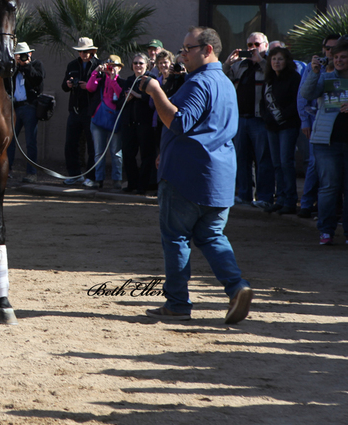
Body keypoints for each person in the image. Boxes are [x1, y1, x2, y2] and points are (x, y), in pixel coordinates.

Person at [140, 26, 252, 324]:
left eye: (188, 48)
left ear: (208, 50)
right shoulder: (226, 83)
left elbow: (179, 122)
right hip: (219, 177)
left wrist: (154, 90)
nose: (182, 54)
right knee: (211, 235)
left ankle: (177, 303)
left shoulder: (200, 83)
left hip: (186, 176)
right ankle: (236, 286)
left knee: (176, 238)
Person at [299, 36, 348, 246]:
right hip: (325, 143)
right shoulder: (325, 75)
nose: (338, 60)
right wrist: (315, 72)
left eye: (344, 57)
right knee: (328, 187)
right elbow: (307, 93)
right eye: (336, 56)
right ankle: (326, 231)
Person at [223, 31, 275, 210]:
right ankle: (244, 195)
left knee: (263, 160)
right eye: (250, 45)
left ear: (265, 46)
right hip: (240, 119)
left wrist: (259, 60)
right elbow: (224, 81)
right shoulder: (240, 66)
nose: (253, 48)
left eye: (257, 45)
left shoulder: (270, 63)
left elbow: (274, 77)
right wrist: (228, 63)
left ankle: (265, 197)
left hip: (260, 119)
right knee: (241, 159)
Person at [297, 34, 340, 219]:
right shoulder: (316, 69)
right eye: (328, 49)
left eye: (336, 50)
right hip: (319, 127)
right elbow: (304, 94)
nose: (331, 53)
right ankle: (309, 207)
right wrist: (305, 121)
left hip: (339, 131)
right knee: (317, 167)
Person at [260, 45, 301, 215]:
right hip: (271, 127)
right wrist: (267, 117)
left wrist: (282, 116)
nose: (276, 62)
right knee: (276, 164)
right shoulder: (269, 79)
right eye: (274, 59)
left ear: (287, 61)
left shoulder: (294, 78)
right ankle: (281, 199)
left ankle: (291, 201)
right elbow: (263, 103)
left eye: (280, 59)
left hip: (288, 126)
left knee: (286, 162)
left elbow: (297, 102)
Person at [61, 37, 100, 185]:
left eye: (87, 52)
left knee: (92, 144)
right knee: (70, 143)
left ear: (92, 51)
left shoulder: (98, 65)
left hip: (90, 111)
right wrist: (69, 84)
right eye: (81, 52)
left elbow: (101, 87)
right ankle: (74, 174)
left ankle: (91, 177)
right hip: (75, 110)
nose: (84, 54)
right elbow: (64, 87)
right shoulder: (72, 65)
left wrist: (88, 87)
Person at [6, 42, 44, 183]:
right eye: (18, 56)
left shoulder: (36, 65)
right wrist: (16, 66)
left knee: (30, 142)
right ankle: (7, 169)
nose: (21, 58)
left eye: (24, 55)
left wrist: (27, 65)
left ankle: (31, 173)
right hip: (15, 108)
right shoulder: (13, 69)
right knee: (9, 141)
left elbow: (38, 80)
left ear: (30, 54)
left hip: (30, 107)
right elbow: (6, 83)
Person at [87, 54, 124, 191]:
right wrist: (96, 71)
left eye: (114, 66)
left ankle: (117, 180)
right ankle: (98, 179)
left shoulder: (121, 81)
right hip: (98, 119)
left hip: (114, 121)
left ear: (119, 68)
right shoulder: (101, 79)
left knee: (116, 152)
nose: (111, 69)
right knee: (98, 152)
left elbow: (120, 94)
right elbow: (90, 88)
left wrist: (113, 79)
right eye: (109, 66)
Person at [120, 53, 156, 194]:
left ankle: (143, 186)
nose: (138, 66)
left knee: (146, 156)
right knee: (128, 154)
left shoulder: (150, 80)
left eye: (141, 63)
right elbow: (121, 102)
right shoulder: (129, 81)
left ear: (146, 65)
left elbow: (152, 99)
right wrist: (127, 99)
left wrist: (137, 96)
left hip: (145, 124)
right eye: (135, 63)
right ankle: (132, 184)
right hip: (129, 123)